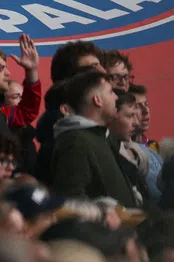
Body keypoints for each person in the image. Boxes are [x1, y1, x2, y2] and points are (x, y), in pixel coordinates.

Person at [49, 70, 138, 207]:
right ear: (97, 100)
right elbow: (71, 197)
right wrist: (102, 212)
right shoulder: (75, 142)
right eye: (110, 92)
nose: (115, 97)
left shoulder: (102, 137)